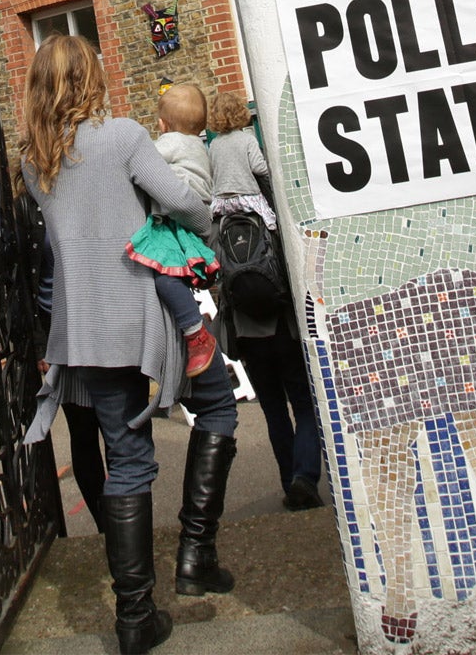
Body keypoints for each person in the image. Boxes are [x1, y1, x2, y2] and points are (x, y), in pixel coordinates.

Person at [19, 36, 240, 654]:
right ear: (92, 75)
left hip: (81, 327)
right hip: (148, 317)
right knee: (218, 406)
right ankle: (195, 553)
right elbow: (176, 199)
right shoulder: (121, 136)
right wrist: (205, 229)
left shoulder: (35, 160)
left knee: (127, 458)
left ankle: (134, 617)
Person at [206, 90, 323, 512]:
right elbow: (262, 171)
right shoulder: (264, 216)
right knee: (304, 402)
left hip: (247, 331)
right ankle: (304, 476)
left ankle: (287, 475)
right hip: (282, 324)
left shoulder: (218, 222)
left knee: (273, 409)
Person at [126, 83, 221, 376]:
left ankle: (196, 333)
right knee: (174, 277)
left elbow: (143, 159)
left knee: (165, 278)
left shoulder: (172, 142)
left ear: (162, 124)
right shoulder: (197, 144)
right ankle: (190, 318)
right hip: (192, 218)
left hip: (175, 222)